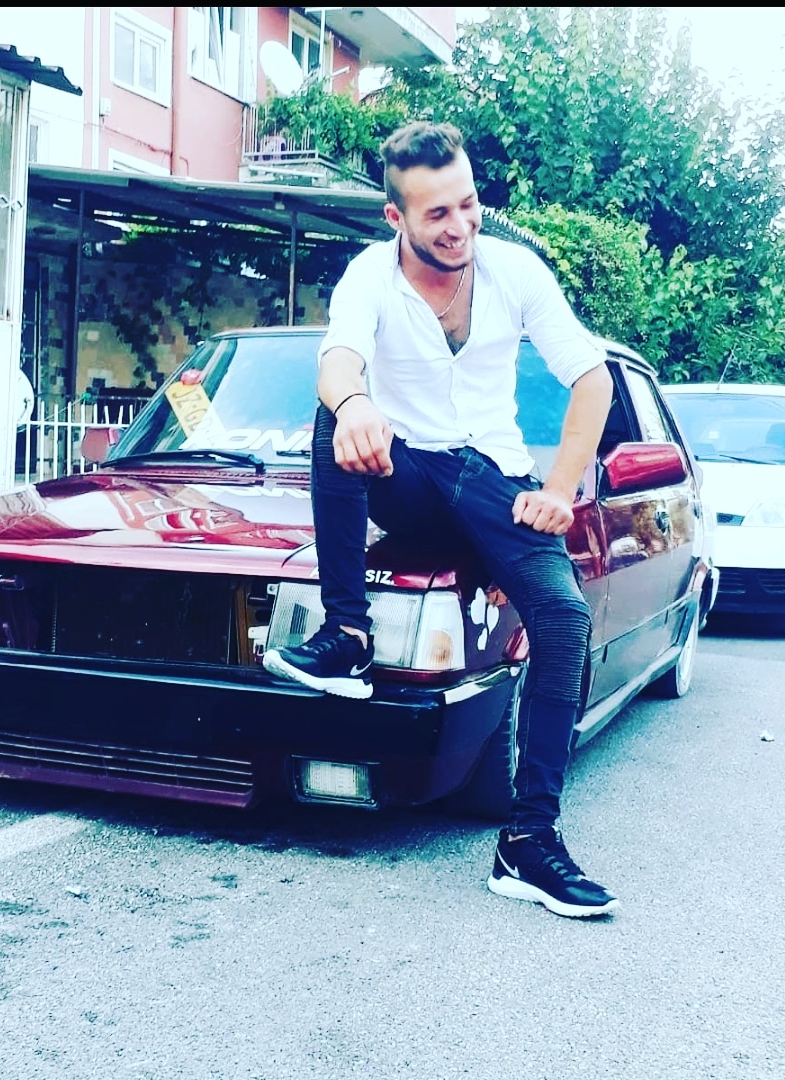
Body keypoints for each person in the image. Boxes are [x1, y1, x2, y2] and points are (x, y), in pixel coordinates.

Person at [261, 121, 618, 919]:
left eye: (468, 204)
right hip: (412, 480)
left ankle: (528, 843)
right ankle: (346, 635)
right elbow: (338, 361)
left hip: (494, 482)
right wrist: (356, 404)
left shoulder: (515, 271)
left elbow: (591, 379)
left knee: (563, 620)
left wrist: (560, 488)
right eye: (437, 214)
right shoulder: (369, 276)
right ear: (396, 218)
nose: (460, 226)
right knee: (336, 417)